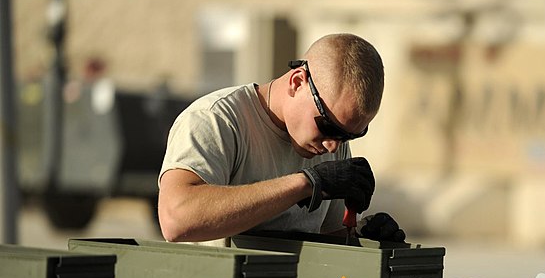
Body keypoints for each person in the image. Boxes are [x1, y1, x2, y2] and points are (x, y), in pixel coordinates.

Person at [157, 33, 404, 246]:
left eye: (350, 135)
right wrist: (305, 184)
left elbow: (326, 238)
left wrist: (363, 235)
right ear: (297, 83)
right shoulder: (215, 120)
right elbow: (176, 220)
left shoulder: (330, 141)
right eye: (327, 126)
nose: (333, 145)